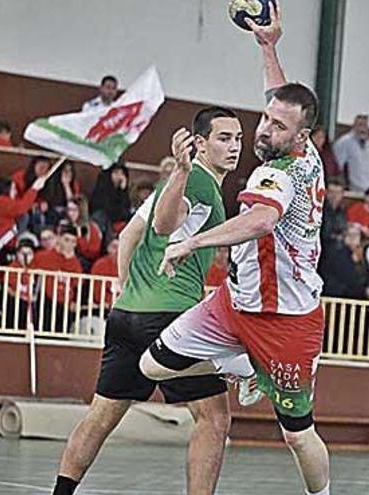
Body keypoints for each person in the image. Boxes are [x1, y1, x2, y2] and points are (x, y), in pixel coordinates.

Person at [140, 10, 333, 494]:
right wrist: (268, 47)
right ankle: (246, 367)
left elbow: (262, 219)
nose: (263, 129)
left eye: (276, 126)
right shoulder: (304, 149)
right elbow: (284, 98)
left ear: (300, 138)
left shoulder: (281, 174)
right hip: (235, 303)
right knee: (153, 364)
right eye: (265, 119)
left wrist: (192, 241)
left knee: (297, 433)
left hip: (288, 320)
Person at [52, 106, 244, 495]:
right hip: (171, 318)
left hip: (127, 315)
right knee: (214, 418)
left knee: (101, 416)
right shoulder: (199, 183)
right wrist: (184, 170)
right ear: (200, 145)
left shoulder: (167, 184)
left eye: (238, 138)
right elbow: (163, 224)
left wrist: (126, 290)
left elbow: (127, 238)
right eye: (224, 138)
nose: (235, 146)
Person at [320, 223, 368, 299]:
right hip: (338, 296)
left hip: (352, 295)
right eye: (350, 235)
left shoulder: (360, 252)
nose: (353, 238)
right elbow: (349, 279)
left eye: (356, 235)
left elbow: (367, 276)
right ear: (344, 237)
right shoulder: (338, 252)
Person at [332, 114, 369, 193]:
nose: (363, 128)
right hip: (352, 190)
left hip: (368, 189)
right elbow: (337, 167)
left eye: (365, 125)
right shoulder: (344, 142)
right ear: (354, 125)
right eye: (360, 125)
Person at [320, 178, 347, 246]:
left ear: (342, 194)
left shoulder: (341, 210)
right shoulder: (321, 209)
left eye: (338, 193)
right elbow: (325, 233)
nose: (334, 196)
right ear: (326, 193)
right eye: (331, 192)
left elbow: (342, 228)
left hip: (337, 244)